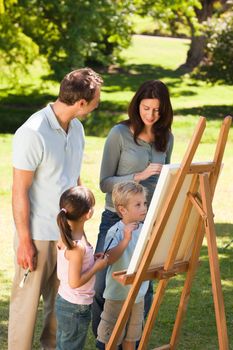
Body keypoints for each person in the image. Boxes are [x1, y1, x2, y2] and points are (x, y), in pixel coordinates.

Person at [8, 68, 103, 350]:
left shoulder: (77, 128)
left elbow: (73, 177)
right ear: (82, 102)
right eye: (96, 98)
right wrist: (25, 241)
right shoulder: (32, 132)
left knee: (61, 305)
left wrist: (82, 225)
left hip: (69, 236)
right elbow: (19, 191)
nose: (99, 102)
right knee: (26, 308)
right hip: (37, 234)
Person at [93, 79, 174, 337]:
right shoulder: (119, 134)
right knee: (101, 286)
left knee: (143, 287)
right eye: (146, 108)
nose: (151, 115)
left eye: (157, 110)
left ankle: (134, 341)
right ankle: (104, 342)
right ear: (137, 105)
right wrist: (137, 176)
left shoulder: (166, 138)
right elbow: (105, 183)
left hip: (147, 223)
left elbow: (165, 181)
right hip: (114, 220)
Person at [97, 181, 149, 350]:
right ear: (122, 210)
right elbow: (109, 259)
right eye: (138, 204)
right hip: (117, 296)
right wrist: (126, 239)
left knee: (131, 337)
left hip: (138, 294)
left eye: (144, 203)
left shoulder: (145, 230)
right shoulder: (115, 231)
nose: (144, 208)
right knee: (112, 337)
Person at [55, 186, 108, 350]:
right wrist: (96, 267)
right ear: (88, 214)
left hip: (64, 300)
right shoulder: (77, 247)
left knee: (63, 344)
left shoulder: (67, 235)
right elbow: (75, 282)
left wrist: (92, 260)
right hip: (76, 306)